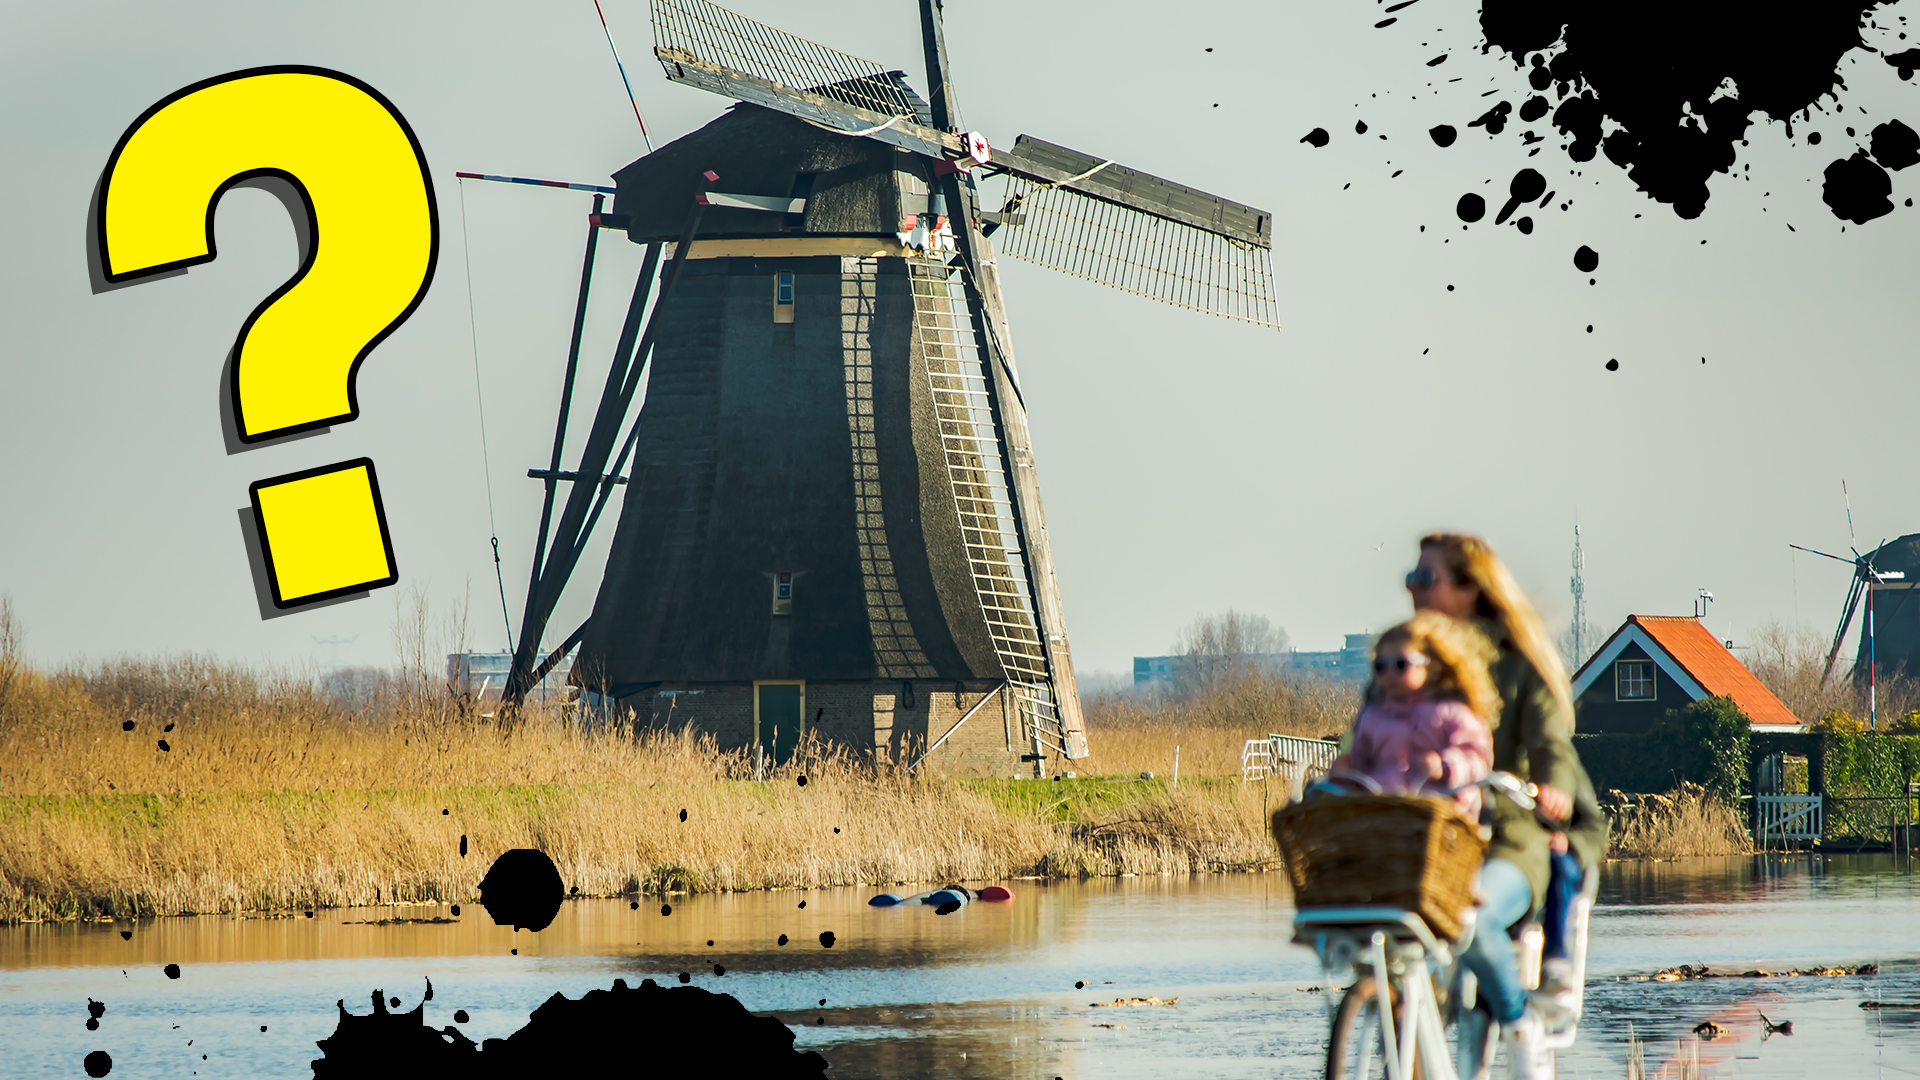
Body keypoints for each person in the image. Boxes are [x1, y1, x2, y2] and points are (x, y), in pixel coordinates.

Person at [1402, 533, 1608, 1077]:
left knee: (1467, 913)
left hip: (1510, 841)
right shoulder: (1411, 666)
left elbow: (1552, 747)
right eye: (1412, 576)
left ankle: (1516, 1017)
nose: (1412, 587)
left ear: (1469, 589)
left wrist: (1551, 784)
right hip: (1434, 839)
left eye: (1426, 578)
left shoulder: (1518, 670)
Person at [1335, 611, 1496, 819]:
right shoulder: (1372, 716)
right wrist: (1345, 771)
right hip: (1383, 811)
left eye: (1401, 665)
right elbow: (1361, 763)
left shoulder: (1452, 713)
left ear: (1432, 667)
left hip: (1441, 813)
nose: (1389, 674)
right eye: (1380, 666)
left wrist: (1445, 767)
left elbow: (1477, 757)